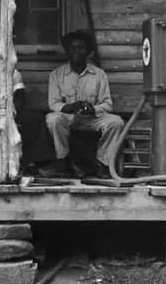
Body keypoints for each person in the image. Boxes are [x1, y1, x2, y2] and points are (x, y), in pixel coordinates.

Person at [44, 30, 124, 177]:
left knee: (116, 122)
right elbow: (53, 103)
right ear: (67, 51)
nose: (76, 52)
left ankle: (103, 163)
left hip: (91, 119)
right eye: (72, 48)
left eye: (81, 48)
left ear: (88, 51)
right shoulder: (57, 74)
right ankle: (63, 161)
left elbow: (107, 104)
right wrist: (69, 107)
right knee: (53, 119)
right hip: (68, 118)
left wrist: (92, 109)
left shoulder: (99, 74)